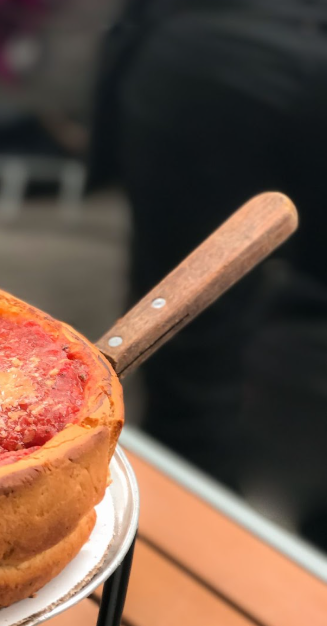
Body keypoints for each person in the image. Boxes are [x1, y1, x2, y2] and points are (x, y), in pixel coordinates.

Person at [91, 0, 327, 548]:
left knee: (191, 364)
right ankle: (179, 553)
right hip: (212, 45)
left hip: (204, 49)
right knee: (186, 353)